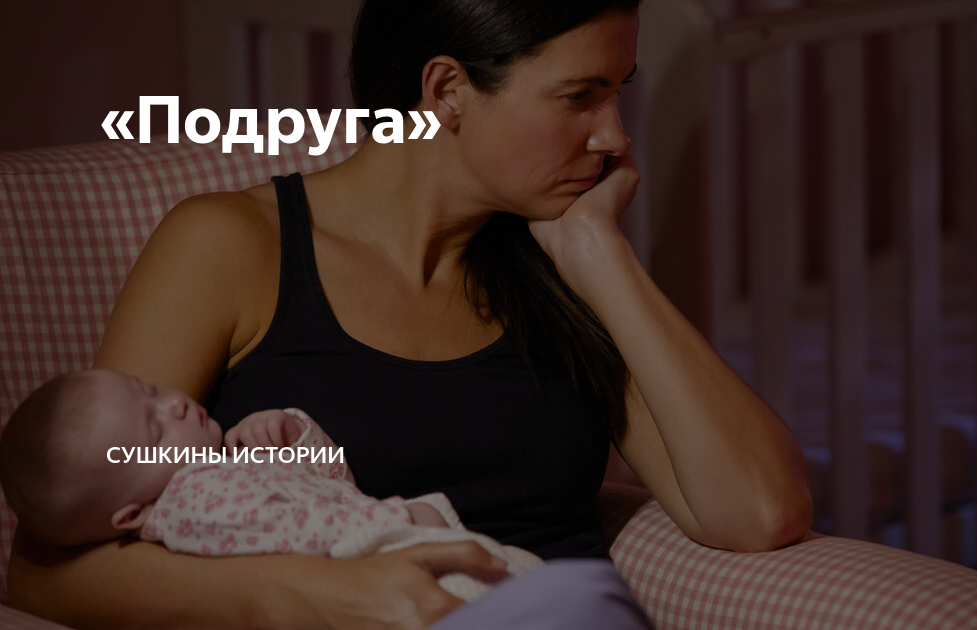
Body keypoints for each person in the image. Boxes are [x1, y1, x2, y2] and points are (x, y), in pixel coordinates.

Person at [6, 0, 813, 628]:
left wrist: (604, 258)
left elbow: (760, 512)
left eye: (617, 92)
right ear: (446, 90)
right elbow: (49, 570)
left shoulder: (564, 268)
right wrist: (309, 597)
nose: (614, 138)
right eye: (580, 97)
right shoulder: (229, 247)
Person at [0, 369, 543, 603]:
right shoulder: (196, 504)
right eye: (155, 430)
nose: (175, 405)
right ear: (132, 513)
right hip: (393, 568)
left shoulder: (220, 473)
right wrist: (398, 520)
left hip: (396, 550)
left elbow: (336, 484)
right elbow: (303, 534)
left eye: (151, 391)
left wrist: (292, 435)